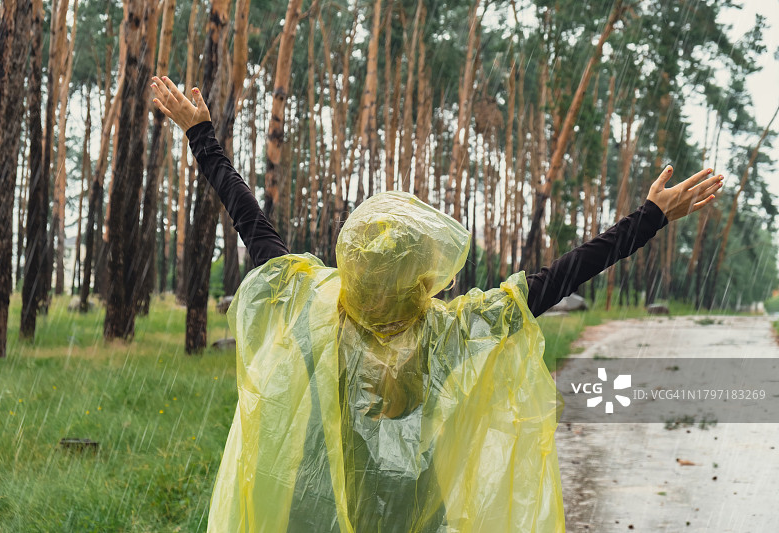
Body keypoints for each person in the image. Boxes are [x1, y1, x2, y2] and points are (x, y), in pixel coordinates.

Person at [151, 76, 723, 532]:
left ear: (351, 261)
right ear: (424, 275)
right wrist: (647, 218)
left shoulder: (310, 304)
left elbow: (251, 221)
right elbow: (559, 276)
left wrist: (202, 135)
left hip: (318, 509)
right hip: (420, 513)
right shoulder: (453, 330)